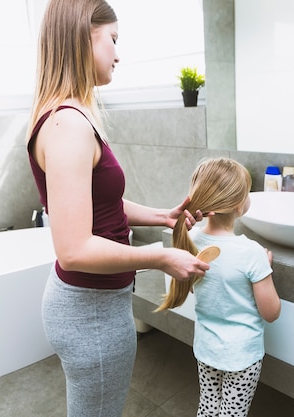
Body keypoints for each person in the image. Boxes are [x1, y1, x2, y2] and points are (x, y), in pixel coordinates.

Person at [25, 1, 211, 416]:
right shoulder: (69, 124)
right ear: (81, 37)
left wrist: (162, 217)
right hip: (90, 313)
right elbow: (73, 249)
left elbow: (99, 204)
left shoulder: (62, 116)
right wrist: (160, 257)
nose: (118, 53)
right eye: (112, 39)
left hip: (89, 306)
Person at [155, 157, 282, 417]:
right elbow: (271, 312)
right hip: (242, 356)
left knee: (209, 405)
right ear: (238, 205)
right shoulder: (251, 253)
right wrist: (264, 268)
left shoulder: (189, 239)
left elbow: (194, 286)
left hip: (206, 348)